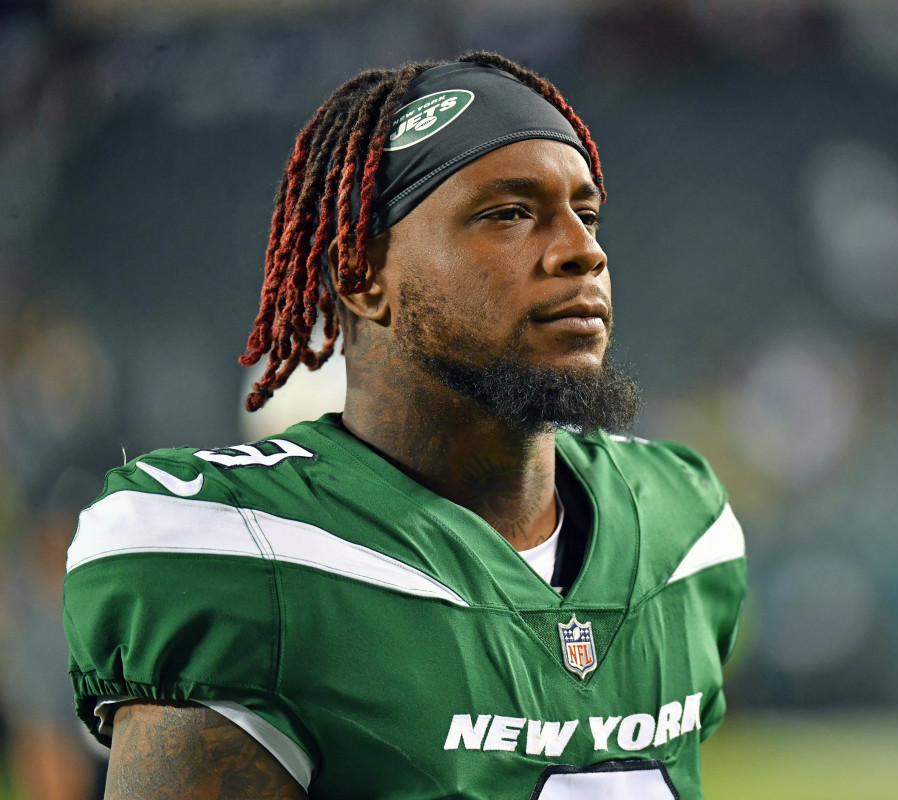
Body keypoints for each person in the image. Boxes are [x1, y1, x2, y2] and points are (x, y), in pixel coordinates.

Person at [63, 52, 746, 799]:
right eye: (510, 214)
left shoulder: (685, 529)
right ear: (361, 274)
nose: (583, 251)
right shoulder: (255, 562)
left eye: (586, 215)